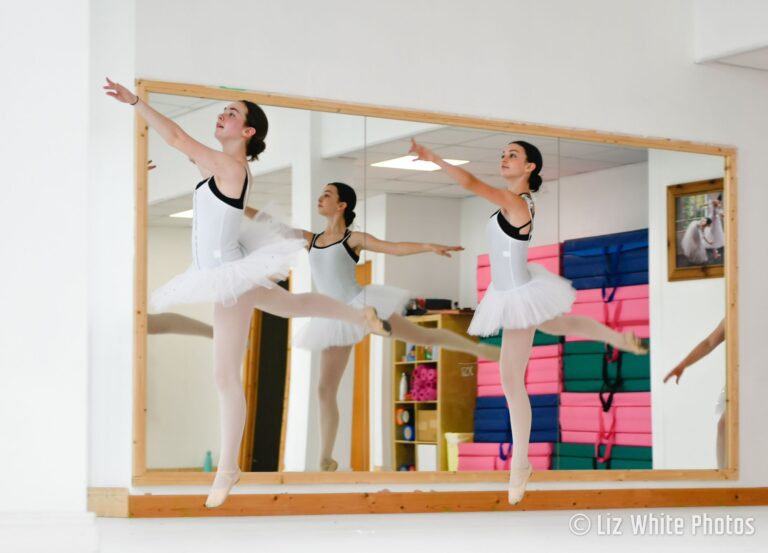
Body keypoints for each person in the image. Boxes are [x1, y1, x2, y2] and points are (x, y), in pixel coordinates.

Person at [105, 79, 391, 508]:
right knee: (290, 305)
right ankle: (358, 316)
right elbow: (184, 148)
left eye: (232, 113)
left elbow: (178, 137)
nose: (223, 115)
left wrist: (136, 102)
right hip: (225, 267)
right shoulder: (220, 168)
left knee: (224, 375)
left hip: (227, 274)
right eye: (224, 111)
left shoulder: (232, 169)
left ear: (248, 132)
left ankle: (227, 468)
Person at [408, 138, 648, 505]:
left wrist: (435, 158)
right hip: (512, 289)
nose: (504, 158)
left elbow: (471, 184)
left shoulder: (516, 202)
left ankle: (520, 464)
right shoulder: (515, 203)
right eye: (503, 153)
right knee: (557, 327)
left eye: (513, 155)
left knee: (510, 379)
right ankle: (617, 339)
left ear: (530, 167)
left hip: (517, 292)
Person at [290, 182, 502, 471]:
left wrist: (428, 246)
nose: (320, 197)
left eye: (327, 194)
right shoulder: (310, 240)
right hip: (334, 317)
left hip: (356, 300)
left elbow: (394, 248)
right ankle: (325, 456)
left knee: (424, 335)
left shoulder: (353, 239)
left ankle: (474, 347)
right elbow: (271, 226)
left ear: (342, 205)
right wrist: (236, 203)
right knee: (324, 390)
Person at [663, 318, 726, 468]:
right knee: (724, 426)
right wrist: (683, 365)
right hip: (741, 379)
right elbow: (709, 343)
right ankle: (724, 475)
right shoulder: (735, 314)